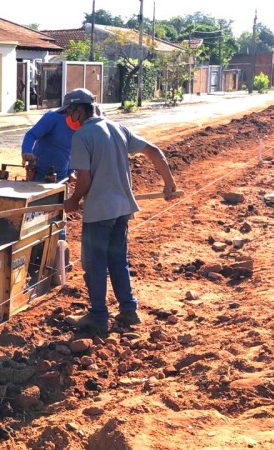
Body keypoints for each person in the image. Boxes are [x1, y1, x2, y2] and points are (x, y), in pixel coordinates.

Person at [60, 88, 178, 334]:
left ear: (79, 111)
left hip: (99, 212)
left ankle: (98, 317)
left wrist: (73, 200)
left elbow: (85, 178)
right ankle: (128, 310)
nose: (67, 118)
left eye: (69, 113)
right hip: (122, 210)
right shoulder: (117, 128)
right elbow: (154, 151)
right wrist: (169, 183)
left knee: (94, 265)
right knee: (117, 261)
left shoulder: (82, 136)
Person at [20, 100, 80, 182]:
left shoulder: (84, 125)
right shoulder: (53, 117)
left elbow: (72, 151)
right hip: (40, 176)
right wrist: (26, 151)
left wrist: (71, 171)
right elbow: (31, 135)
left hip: (62, 178)